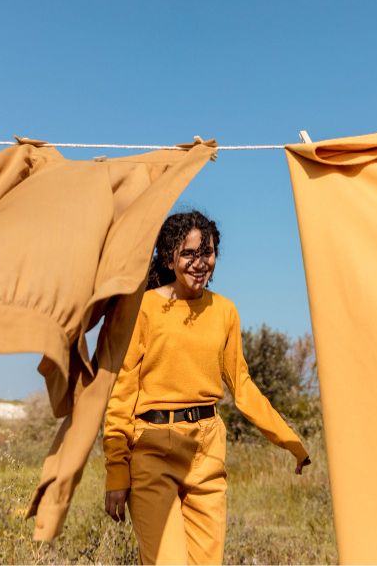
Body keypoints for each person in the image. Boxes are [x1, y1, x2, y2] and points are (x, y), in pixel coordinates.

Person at [103, 210, 311, 565]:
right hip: (153, 448)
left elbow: (242, 386)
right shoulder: (144, 308)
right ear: (170, 257)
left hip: (207, 450)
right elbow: (122, 391)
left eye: (207, 253)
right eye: (189, 254)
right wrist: (116, 471)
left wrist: (291, 442)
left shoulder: (225, 312)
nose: (200, 263)